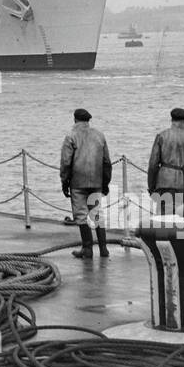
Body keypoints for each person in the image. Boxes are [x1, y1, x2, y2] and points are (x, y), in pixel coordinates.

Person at [59, 108, 113, 259]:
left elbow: (65, 162)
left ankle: (87, 249)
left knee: (81, 216)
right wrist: (105, 182)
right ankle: (104, 249)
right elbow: (107, 162)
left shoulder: (71, 136)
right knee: (97, 214)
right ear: (88, 120)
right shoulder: (99, 135)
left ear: (75, 119)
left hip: (77, 182)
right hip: (96, 181)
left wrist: (64, 182)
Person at [146, 107, 184, 217]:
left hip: (165, 185)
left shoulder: (161, 137)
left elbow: (153, 165)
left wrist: (152, 188)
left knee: (165, 221)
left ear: (172, 121)